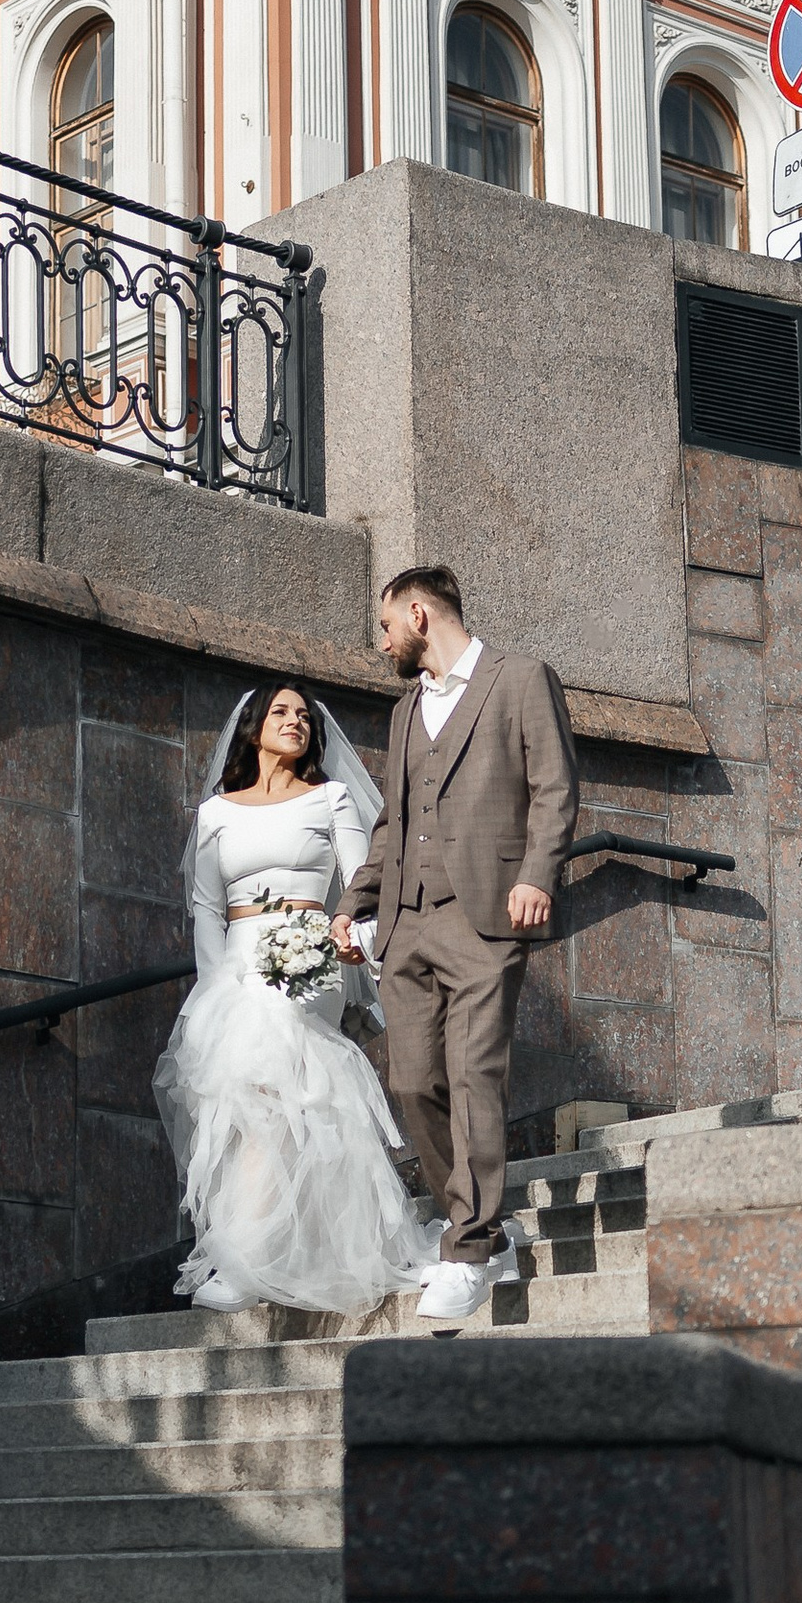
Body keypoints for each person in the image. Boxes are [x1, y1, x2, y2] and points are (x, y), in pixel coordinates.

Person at [333, 566, 578, 1327]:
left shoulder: (521, 679)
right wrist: (357, 903)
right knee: (410, 1083)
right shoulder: (407, 711)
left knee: (475, 1074)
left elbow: (555, 788)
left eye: (384, 629)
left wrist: (538, 873)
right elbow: (391, 823)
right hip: (407, 924)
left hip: (485, 917)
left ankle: (468, 1247)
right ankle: (483, 1225)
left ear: (418, 614)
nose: (381, 645)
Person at [154, 677, 442, 1315]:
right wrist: (212, 988)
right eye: (281, 712)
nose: (297, 721)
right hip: (234, 963)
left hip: (306, 954)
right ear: (253, 729)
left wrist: (348, 940)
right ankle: (267, 1248)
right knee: (247, 1104)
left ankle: (243, 1262)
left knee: (272, 1084)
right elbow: (205, 906)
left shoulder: (331, 798)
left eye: (304, 715)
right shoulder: (216, 814)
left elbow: (362, 881)